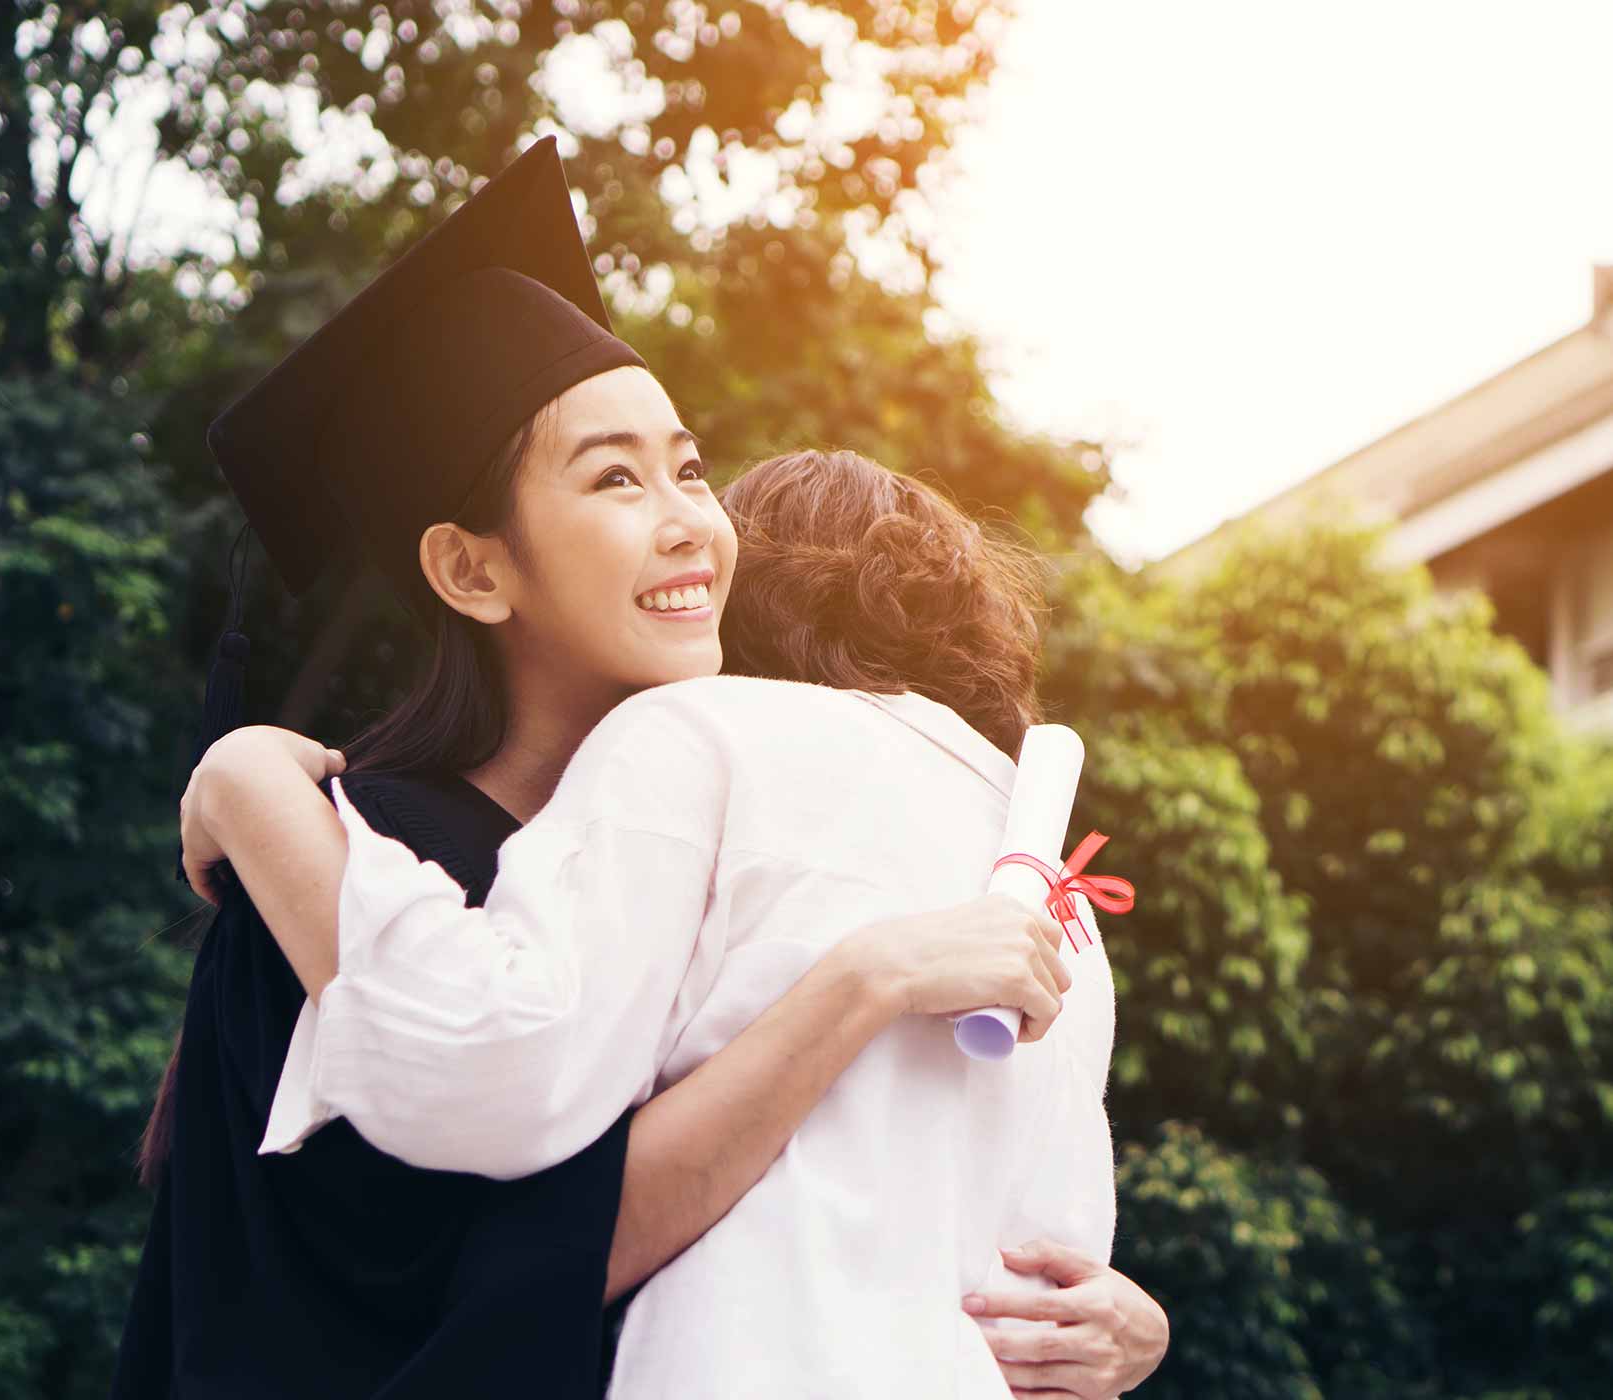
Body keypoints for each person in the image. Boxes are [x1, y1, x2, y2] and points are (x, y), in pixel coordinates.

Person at [123, 136, 1166, 1399]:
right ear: (471, 569)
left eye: (688, 467)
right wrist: (860, 983)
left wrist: (1102, 1315)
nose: (689, 519)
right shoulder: (363, 866)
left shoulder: (705, 849)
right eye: (613, 478)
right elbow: (474, 1284)